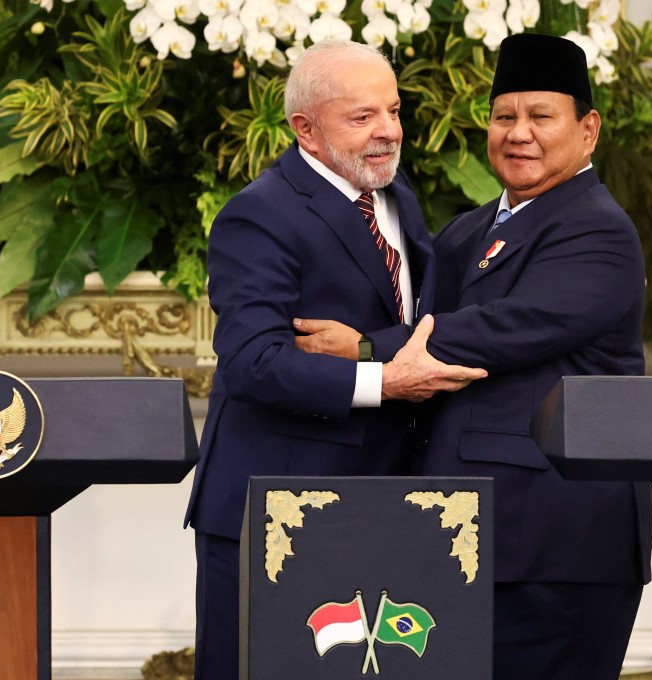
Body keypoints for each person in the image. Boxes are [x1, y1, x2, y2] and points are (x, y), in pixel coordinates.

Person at [295, 33, 652, 679]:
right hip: (460, 535)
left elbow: (503, 329)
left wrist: (368, 348)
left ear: (588, 128)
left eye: (542, 117)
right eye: (504, 117)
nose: (519, 134)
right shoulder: (467, 230)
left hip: (555, 542)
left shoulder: (599, 229)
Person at [183, 39, 486, 680]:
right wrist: (384, 380)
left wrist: (377, 348)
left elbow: (408, 319)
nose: (388, 132)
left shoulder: (394, 192)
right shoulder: (258, 216)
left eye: (394, 111)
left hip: (386, 501)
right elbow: (251, 362)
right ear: (305, 129)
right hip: (276, 513)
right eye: (362, 117)